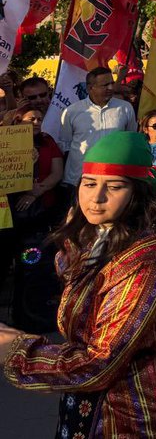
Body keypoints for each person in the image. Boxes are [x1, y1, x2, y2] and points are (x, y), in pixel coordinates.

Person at [0, 132, 156, 438]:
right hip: (101, 397)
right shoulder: (99, 234)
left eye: (113, 187)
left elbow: (102, 361)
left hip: (141, 407)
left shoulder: (147, 260)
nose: (95, 198)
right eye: (88, 184)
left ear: (138, 194)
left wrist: (18, 352)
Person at [1, 104, 63, 331]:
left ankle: (26, 315)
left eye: (39, 118)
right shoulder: (4, 141)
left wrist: (36, 191)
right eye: (31, 119)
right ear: (18, 121)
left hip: (37, 214)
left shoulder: (48, 142)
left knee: (31, 266)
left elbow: (57, 172)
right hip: (7, 216)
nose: (36, 123)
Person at [58, 66, 137, 199]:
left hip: (113, 179)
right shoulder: (71, 112)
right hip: (78, 180)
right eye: (105, 85)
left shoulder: (125, 108)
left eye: (112, 83)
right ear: (90, 88)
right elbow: (65, 144)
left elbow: (130, 139)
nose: (111, 88)